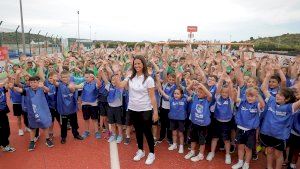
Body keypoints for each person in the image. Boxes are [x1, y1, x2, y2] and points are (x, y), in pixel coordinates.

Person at [116, 55, 158, 165]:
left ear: (143, 64)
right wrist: (118, 74)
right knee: (138, 131)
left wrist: (156, 112)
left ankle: (152, 153)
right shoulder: (130, 77)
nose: (137, 65)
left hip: (145, 109)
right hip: (133, 108)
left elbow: (152, 97)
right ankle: (141, 150)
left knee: (147, 132)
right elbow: (120, 85)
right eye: (135, 64)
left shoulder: (149, 79)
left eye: (139, 63)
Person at [260, 68, 300, 169]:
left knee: (278, 154)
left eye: (281, 96)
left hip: (280, 136)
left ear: (286, 99)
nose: (278, 96)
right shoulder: (271, 100)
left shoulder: (290, 107)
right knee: (269, 151)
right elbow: (264, 89)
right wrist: (268, 75)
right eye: (278, 94)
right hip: (267, 132)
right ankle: (269, 167)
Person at [10, 76, 54, 151]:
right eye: (31, 82)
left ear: (38, 83)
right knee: (33, 127)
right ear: (29, 83)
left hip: (43, 111)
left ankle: (47, 139)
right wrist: (12, 87)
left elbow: (48, 90)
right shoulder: (27, 90)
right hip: (32, 112)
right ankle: (32, 141)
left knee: (45, 126)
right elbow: (19, 90)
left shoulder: (41, 89)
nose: (33, 84)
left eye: (35, 82)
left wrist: (43, 86)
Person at [232, 87, 265, 169]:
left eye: (252, 96)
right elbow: (235, 100)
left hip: (251, 131)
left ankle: (246, 163)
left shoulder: (257, 104)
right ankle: (240, 162)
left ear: (256, 97)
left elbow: (263, 105)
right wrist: (235, 94)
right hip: (240, 128)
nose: (250, 98)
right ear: (245, 96)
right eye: (248, 96)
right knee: (240, 147)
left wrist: (258, 95)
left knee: (248, 148)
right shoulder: (242, 102)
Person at [55, 70, 84, 144]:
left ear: (69, 77)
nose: (65, 78)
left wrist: (73, 87)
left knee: (74, 123)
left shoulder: (72, 83)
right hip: (63, 109)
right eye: (63, 77)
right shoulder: (59, 85)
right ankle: (63, 137)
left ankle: (76, 134)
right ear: (60, 78)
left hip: (72, 108)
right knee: (64, 124)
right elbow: (55, 82)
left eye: (66, 77)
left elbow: (76, 88)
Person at [0, 80, 16, 152]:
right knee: (4, 130)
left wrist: (10, 79)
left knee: (6, 129)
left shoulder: (1, 89)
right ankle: (5, 145)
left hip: (3, 112)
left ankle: (4, 144)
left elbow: (6, 86)